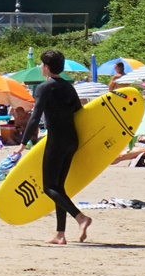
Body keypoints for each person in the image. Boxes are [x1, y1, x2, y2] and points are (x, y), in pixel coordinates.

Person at [19, 49, 91, 245]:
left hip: (57, 140)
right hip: (72, 140)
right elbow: (80, 112)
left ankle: (81, 218)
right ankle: (60, 234)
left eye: (42, 64)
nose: (41, 67)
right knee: (59, 187)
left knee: (48, 187)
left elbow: (35, 117)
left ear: (47, 67)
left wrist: (22, 143)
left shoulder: (44, 88)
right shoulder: (69, 87)